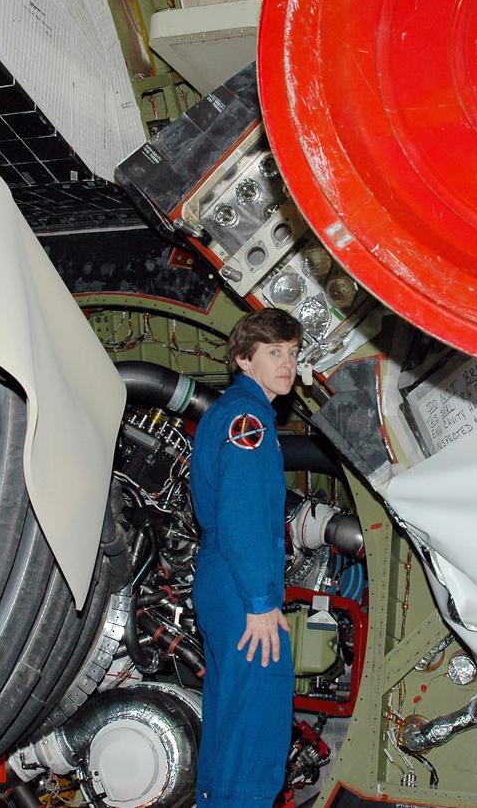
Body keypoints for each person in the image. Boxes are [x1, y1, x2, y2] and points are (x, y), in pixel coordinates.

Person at [190, 307, 304, 807]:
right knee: (255, 724)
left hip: (223, 579)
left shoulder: (236, 413)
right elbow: (241, 512)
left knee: (229, 721)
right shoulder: (247, 417)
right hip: (242, 587)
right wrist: (260, 600)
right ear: (243, 359)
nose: (288, 364)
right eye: (274, 352)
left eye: (294, 353)